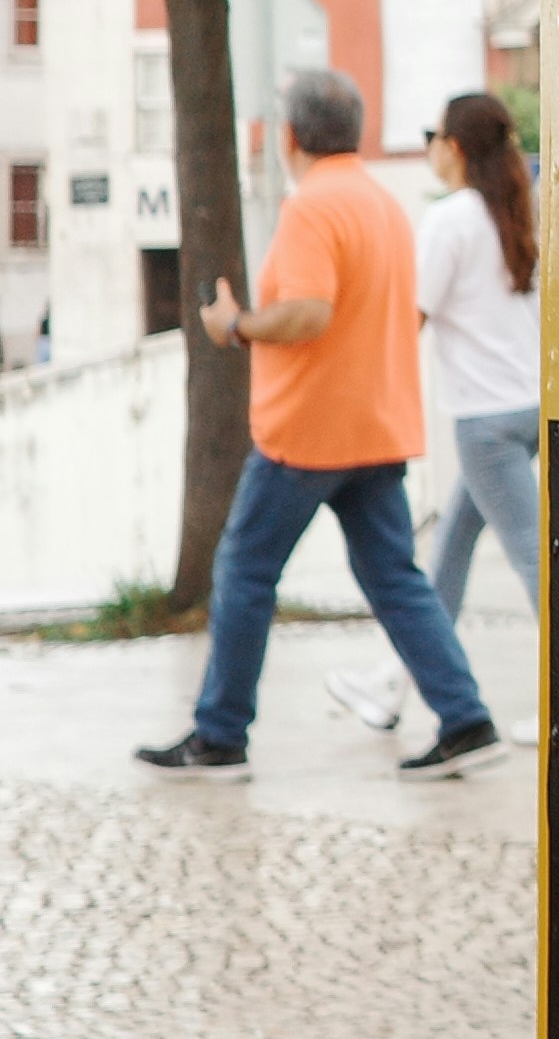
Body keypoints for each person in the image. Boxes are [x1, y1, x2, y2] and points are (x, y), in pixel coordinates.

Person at [141, 67, 504, 778]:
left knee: (245, 569)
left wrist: (235, 325)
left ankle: (219, 736)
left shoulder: (312, 208)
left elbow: (310, 311)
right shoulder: (384, 204)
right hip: (376, 425)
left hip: (307, 432)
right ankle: (467, 720)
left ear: (289, 137)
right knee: (397, 580)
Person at [415, 88, 542, 644]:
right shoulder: (514, 211)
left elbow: (410, 316)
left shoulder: (450, 220)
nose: (431, 149)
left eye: (435, 138)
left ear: (456, 147)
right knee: (451, 550)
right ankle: (399, 680)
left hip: (485, 421)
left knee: (536, 562)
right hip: (526, 404)